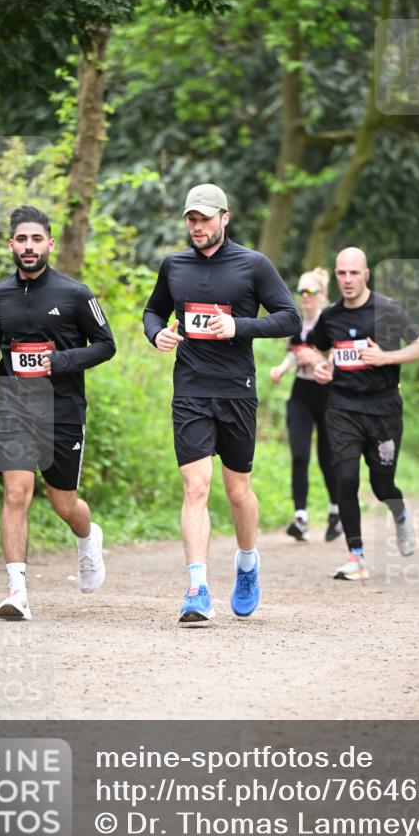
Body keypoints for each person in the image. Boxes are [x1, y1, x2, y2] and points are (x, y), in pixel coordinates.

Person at [143, 183, 301, 624]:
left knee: (238, 492)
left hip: (237, 390)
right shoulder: (173, 266)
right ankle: (197, 589)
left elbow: (289, 317)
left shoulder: (253, 265)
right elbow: (153, 311)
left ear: (224, 218)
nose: (197, 227)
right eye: (191, 220)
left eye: (205, 219)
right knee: (196, 487)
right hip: (190, 389)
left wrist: (238, 327)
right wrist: (157, 333)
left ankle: (247, 564)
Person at [0, 205, 116, 620]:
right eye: (22, 239)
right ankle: (16, 591)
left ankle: (89, 538)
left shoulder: (76, 294)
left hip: (63, 410)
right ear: (11, 245)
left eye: (36, 239)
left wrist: (63, 361)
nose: (29, 246)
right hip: (14, 405)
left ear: (50, 244)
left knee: (64, 504)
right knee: (16, 493)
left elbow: (106, 345)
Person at [310, 247, 419, 581]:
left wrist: (386, 358)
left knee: (382, 484)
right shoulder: (330, 315)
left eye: (354, 273)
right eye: (341, 273)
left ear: (366, 275)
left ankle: (400, 512)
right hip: (342, 407)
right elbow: (322, 349)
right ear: (336, 276)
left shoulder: (388, 310)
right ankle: (356, 555)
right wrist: (322, 367)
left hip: (383, 410)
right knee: (345, 478)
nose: (347, 280)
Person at [270, 267, 342, 543]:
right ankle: (300, 516)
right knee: (299, 454)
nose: (304, 296)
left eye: (310, 291)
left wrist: (319, 358)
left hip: (327, 392)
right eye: (300, 291)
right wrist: (281, 368)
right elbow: (294, 353)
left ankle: (336, 511)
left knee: (327, 457)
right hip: (301, 392)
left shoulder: (331, 320)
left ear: (322, 294)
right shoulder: (296, 321)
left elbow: (338, 355)